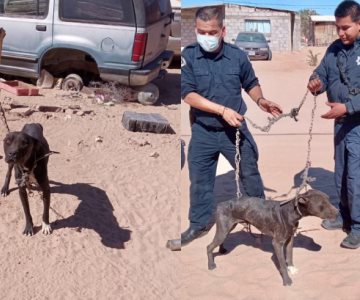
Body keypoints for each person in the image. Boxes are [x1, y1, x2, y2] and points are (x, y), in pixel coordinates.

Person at [181, 6, 283, 246]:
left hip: (234, 131)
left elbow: (251, 82)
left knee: (250, 174)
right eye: (201, 31)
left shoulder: (237, 56)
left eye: (212, 31)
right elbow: (188, 94)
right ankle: (199, 224)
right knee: (200, 181)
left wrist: (261, 100)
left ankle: (262, 221)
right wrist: (222, 110)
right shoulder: (189, 55)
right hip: (204, 130)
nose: (206, 36)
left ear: (223, 31)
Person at [308, 0, 360, 249]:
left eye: (346, 28)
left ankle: (358, 227)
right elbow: (321, 74)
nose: (341, 33)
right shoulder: (333, 50)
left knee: (356, 177)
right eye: (338, 28)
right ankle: (343, 216)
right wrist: (315, 82)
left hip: (358, 123)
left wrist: (348, 107)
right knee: (341, 173)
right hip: (340, 124)